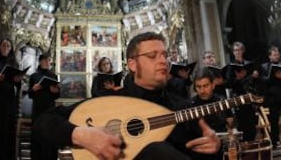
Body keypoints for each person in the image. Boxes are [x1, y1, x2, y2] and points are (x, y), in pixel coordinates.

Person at [33, 32, 220, 160]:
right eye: (153, 55)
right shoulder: (109, 101)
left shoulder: (183, 107)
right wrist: (81, 135)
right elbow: (44, 121)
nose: (163, 61)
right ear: (132, 64)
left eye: (164, 55)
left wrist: (214, 148)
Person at [0, 38, 22, 160]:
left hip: (9, 101)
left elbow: (17, 85)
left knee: (8, 132)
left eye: (8, 46)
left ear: (11, 48)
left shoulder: (14, 64)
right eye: (3, 45)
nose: (6, 48)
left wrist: (18, 81)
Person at [28, 54, 60, 160]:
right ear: (40, 61)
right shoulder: (33, 76)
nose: (48, 62)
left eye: (49, 60)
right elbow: (30, 95)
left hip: (50, 109)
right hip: (38, 109)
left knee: (49, 135)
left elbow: (56, 96)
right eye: (46, 60)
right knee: (38, 136)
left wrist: (55, 92)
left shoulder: (53, 76)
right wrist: (33, 89)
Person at [260, 46, 281, 147]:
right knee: (274, 121)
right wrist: (273, 76)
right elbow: (262, 81)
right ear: (269, 56)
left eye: (277, 54)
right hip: (272, 98)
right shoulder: (264, 66)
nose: (276, 56)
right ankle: (275, 142)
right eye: (274, 55)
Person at [190, 68, 228, 133]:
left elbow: (230, 123)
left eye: (205, 86)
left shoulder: (221, 100)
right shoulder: (190, 105)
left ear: (213, 85)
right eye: (198, 87)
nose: (202, 91)